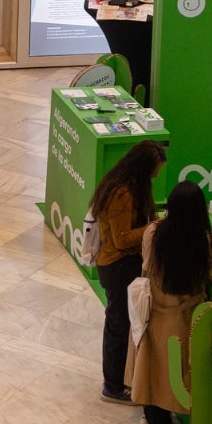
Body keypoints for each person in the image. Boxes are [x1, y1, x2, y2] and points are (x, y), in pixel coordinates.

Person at [127, 179, 212, 424]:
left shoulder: (153, 234)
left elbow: (146, 265)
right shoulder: (203, 242)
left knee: (151, 372)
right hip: (186, 320)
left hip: (153, 316)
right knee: (182, 375)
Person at [89, 138, 168, 404]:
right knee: (118, 325)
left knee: (121, 324)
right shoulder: (122, 193)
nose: (157, 175)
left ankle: (120, 380)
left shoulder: (130, 186)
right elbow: (122, 239)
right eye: (154, 170)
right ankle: (112, 387)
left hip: (122, 264)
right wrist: (154, 227)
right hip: (117, 266)